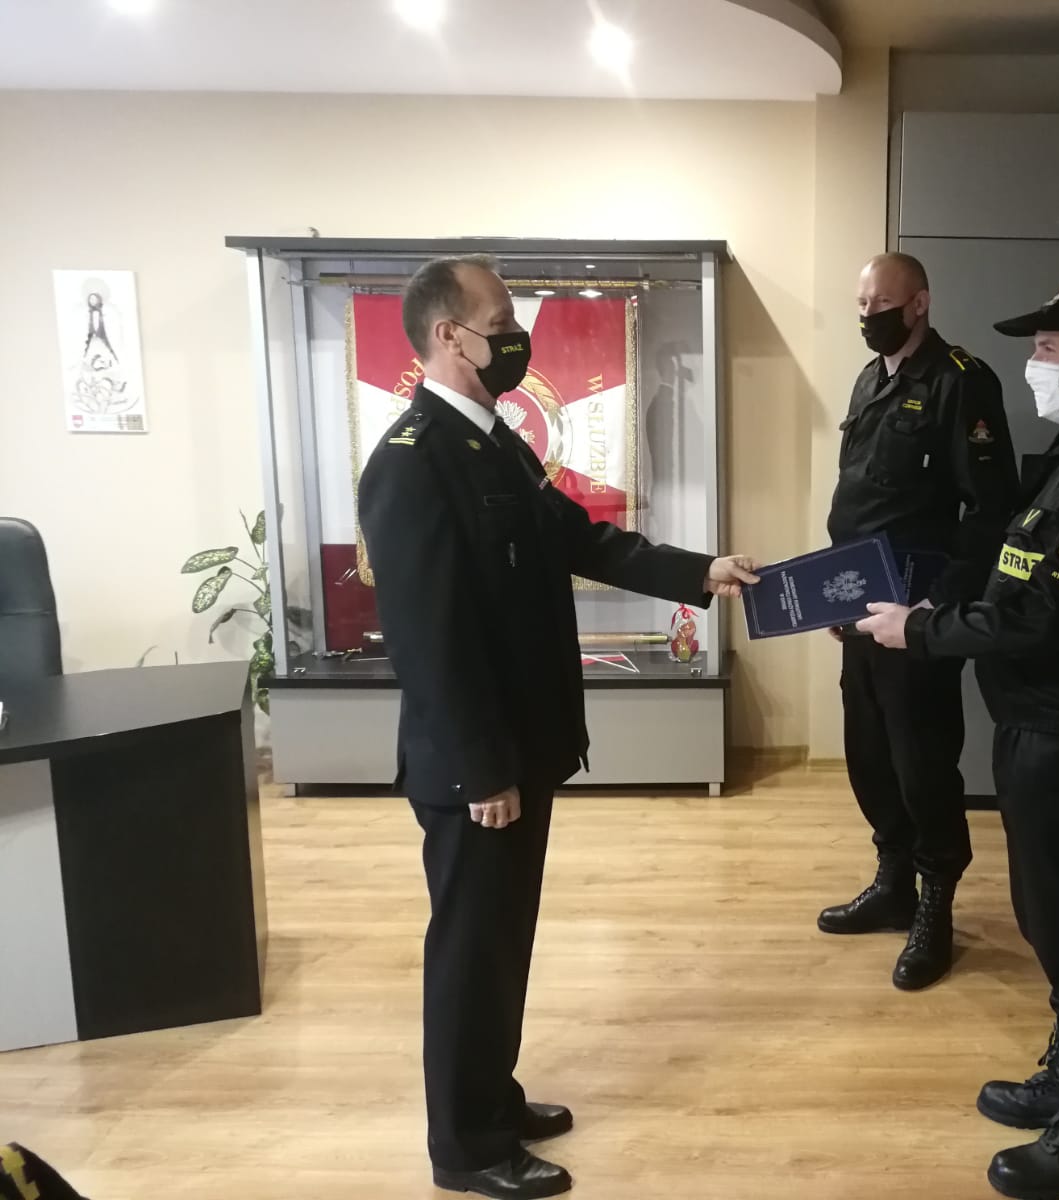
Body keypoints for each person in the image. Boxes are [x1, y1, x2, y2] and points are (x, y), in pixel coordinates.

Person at [357, 255, 758, 1200]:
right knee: (471, 951)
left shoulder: (496, 442)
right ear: (449, 336)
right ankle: (467, 1148)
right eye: (500, 322)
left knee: (504, 941)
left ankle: (492, 1099)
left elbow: (578, 539)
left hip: (521, 748)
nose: (516, 336)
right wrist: (482, 769)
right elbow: (430, 640)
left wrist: (699, 571)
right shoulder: (411, 463)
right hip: (478, 765)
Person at [857, 281, 1059, 1199]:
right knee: (1052, 918)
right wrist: (928, 602)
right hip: (1038, 728)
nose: (1033, 363)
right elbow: (1009, 572)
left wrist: (921, 632)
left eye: (1048, 347)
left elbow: (1043, 617)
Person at [820, 252, 1018, 991]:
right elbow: (860, 499)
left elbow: (991, 511)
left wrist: (939, 606)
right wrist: (833, 592)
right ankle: (893, 882)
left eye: (881, 303)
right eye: (861, 303)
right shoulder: (870, 379)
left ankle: (936, 901)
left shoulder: (961, 380)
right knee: (869, 751)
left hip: (918, 613)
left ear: (920, 302)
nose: (868, 315)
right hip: (861, 606)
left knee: (922, 760)